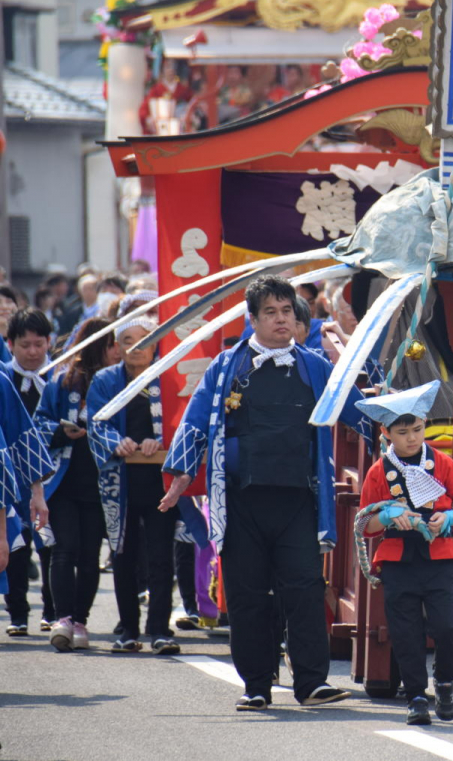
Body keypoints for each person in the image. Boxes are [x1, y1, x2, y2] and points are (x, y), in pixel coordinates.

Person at [160, 275, 374, 711]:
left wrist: (396, 425)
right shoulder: (226, 367)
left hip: (299, 499)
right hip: (241, 500)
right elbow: (196, 421)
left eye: (288, 312)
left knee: (305, 588)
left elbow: (358, 411)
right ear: (253, 319)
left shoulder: (315, 366)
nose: (282, 320)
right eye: (271, 312)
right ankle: (256, 684)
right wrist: (181, 474)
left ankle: (311, 683)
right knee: (247, 594)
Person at [355, 380, 453, 725]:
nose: (412, 438)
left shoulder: (442, 462)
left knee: (448, 627)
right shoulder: (379, 471)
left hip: (439, 554)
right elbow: (365, 524)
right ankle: (415, 697)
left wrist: (450, 517)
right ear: (386, 433)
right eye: (403, 432)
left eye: (417, 430)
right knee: (405, 633)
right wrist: (387, 516)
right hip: (397, 559)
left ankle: (445, 682)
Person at [88, 317, 197, 654]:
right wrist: (115, 441)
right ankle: (128, 630)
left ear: (156, 344)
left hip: (160, 483)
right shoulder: (105, 380)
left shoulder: (169, 377)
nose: (136, 347)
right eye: (128, 340)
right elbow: (96, 422)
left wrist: (159, 441)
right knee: (123, 555)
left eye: (144, 339)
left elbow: (184, 421)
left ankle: (160, 630)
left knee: (161, 556)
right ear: (117, 347)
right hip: (120, 482)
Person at [35, 318, 119, 651]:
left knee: (89, 554)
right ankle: (63, 618)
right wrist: (61, 431)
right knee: (64, 548)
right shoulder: (61, 381)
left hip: (100, 480)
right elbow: (39, 422)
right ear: (99, 344)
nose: (118, 350)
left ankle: (81, 620)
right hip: (64, 480)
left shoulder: (118, 382)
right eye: (113, 343)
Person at [2, 309, 57, 635]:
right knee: (15, 545)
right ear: (10, 344)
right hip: (10, 479)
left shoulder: (61, 378)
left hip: (53, 477)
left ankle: (52, 610)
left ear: (49, 342)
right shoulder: (4, 378)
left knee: (51, 546)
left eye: (39, 344)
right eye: (25, 345)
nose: (33, 352)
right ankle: (18, 614)